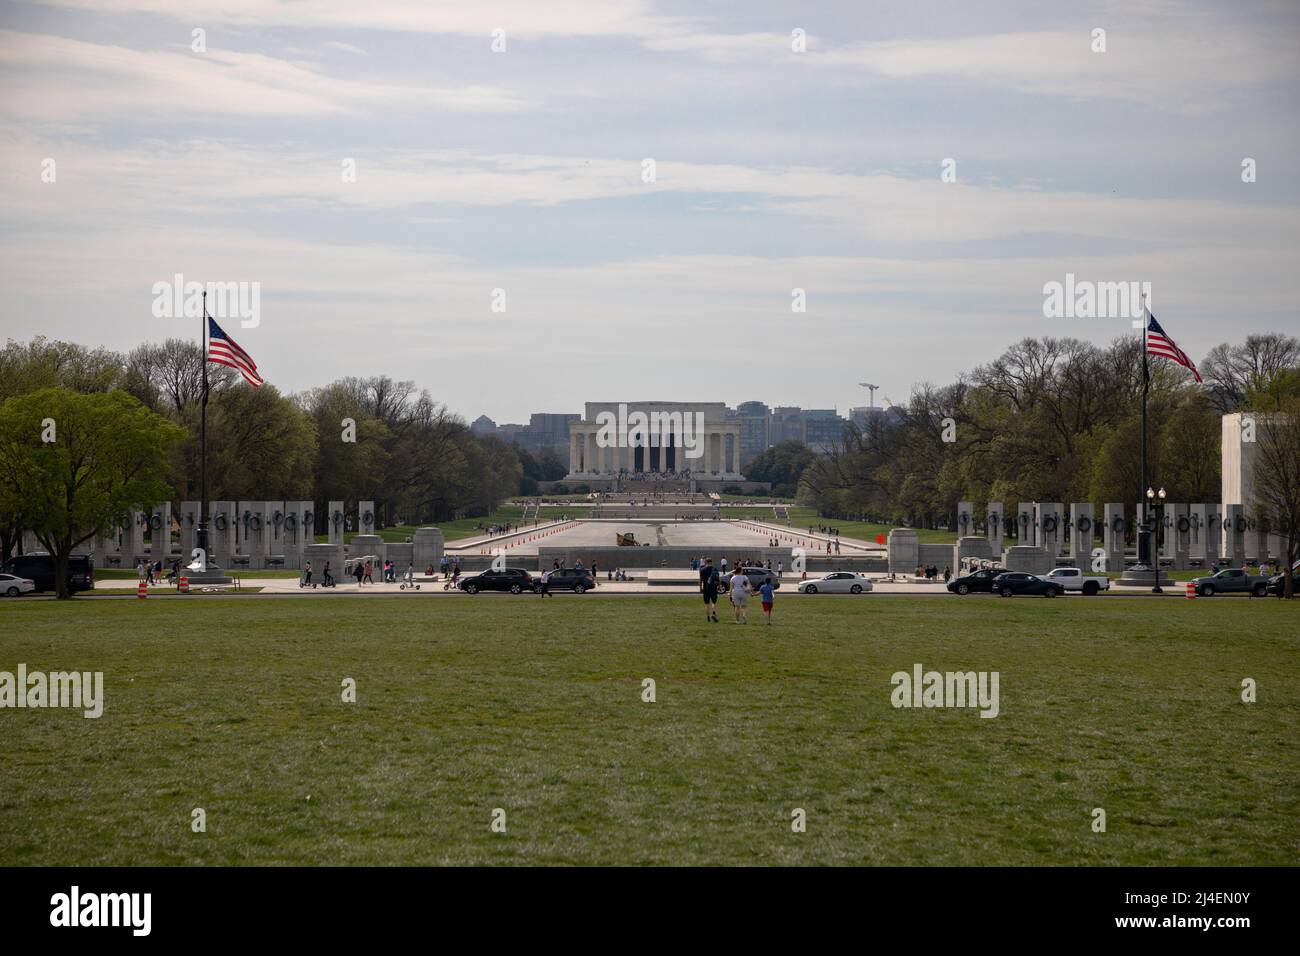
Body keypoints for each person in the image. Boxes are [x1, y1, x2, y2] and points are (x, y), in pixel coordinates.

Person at [700, 558, 719, 623]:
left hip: (706, 588)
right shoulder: (715, 569)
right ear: (711, 562)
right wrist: (719, 586)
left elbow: (701, 579)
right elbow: (718, 579)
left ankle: (708, 618)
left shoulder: (702, 569)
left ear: (706, 562)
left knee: (707, 604)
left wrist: (700, 587)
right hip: (713, 588)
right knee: (713, 602)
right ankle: (713, 613)